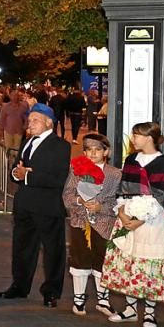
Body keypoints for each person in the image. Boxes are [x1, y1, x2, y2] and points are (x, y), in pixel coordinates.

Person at [102, 122, 164, 327]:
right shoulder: (131, 160)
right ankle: (129, 309)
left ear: (149, 137)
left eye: (137, 135)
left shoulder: (162, 162)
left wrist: (140, 219)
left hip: (151, 221)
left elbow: (162, 194)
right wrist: (121, 211)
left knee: (148, 265)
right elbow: (123, 189)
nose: (133, 138)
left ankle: (149, 312)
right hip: (128, 215)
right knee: (130, 262)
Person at [0, 103, 72, 307]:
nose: (30, 124)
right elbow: (17, 170)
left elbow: (58, 178)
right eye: (29, 120)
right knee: (22, 248)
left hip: (48, 206)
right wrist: (16, 174)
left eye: (35, 120)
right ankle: (19, 286)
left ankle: (51, 292)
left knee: (53, 251)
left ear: (48, 122)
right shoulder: (26, 143)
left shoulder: (60, 145)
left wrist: (27, 176)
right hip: (24, 204)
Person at [62, 133, 122, 316]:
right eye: (89, 150)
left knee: (102, 259)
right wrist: (80, 201)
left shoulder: (115, 174)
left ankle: (102, 299)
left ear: (106, 152)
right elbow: (67, 194)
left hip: (104, 223)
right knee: (79, 257)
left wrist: (100, 207)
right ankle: (79, 298)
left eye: (98, 150)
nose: (93, 154)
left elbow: (118, 201)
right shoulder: (77, 170)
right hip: (80, 221)